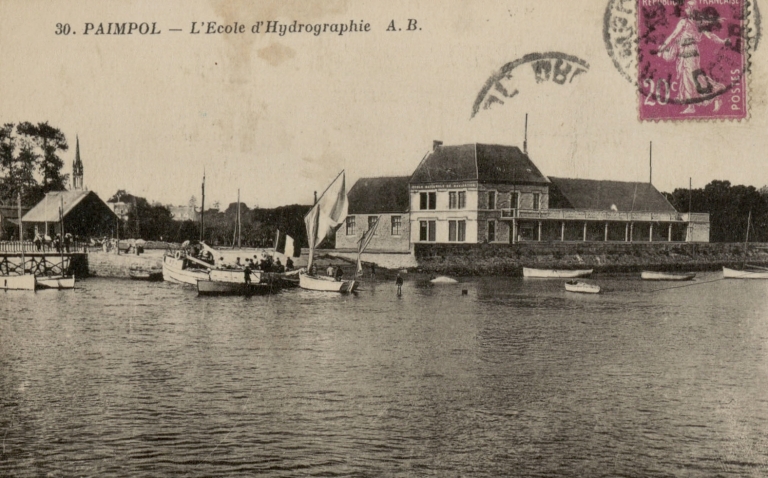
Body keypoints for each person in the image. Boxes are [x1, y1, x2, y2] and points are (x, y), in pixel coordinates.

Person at [657, 0, 730, 114]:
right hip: (685, 54)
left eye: (689, 8)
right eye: (688, 8)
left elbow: (673, 36)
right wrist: (723, 41)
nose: (688, 10)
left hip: (690, 53)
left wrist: (662, 47)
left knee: (693, 78)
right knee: (687, 78)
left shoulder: (690, 23)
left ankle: (716, 95)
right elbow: (675, 36)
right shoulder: (691, 22)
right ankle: (691, 106)